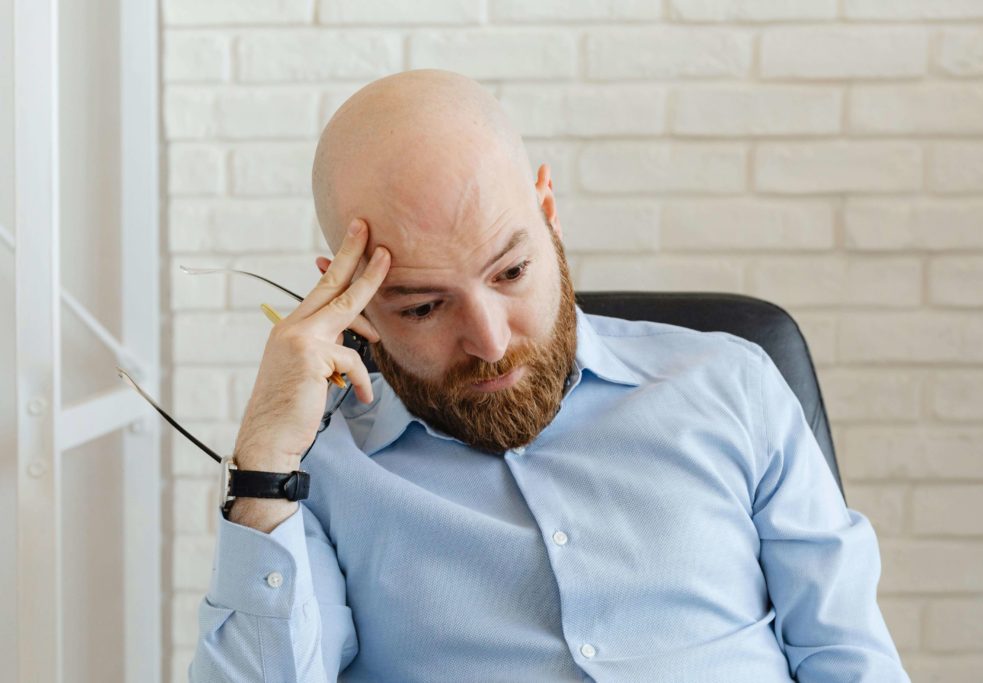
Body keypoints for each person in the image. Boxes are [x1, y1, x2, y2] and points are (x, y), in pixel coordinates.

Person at [189, 69, 910, 682]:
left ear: (549, 211)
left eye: (511, 271)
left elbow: (848, 655)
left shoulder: (731, 386)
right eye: (424, 306)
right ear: (346, 296)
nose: (490, 340)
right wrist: (263, 473)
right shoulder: (318, 474)